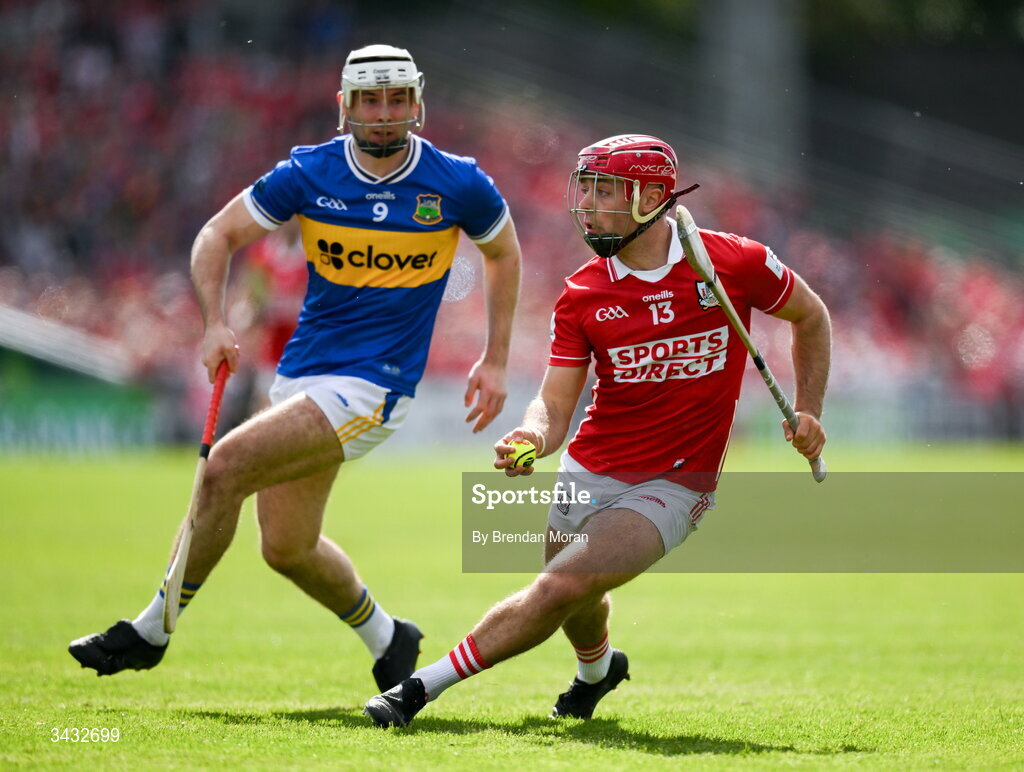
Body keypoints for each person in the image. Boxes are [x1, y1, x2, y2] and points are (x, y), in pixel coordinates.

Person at [69, 44, 522, 695]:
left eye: (397, 98)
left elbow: (504, 253)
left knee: (224, 468)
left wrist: (497, 356)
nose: (385, 114)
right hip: (303, 374)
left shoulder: (458, 183)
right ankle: (390, 638)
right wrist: (215, 322)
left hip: (376, 383)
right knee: (286, 547)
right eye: (370, 99)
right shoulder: (309, 173)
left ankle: (150, 631)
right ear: (345, 106)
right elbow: (216, 236)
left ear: (417, 103)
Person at [363, 134, 830, 727]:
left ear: (652, 196)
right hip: (587, 469)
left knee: (558, 588)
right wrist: (532, 434)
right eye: (583, 187)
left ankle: (418, 690)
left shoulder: (734, 263)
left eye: (602, 189)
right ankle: (597, 671)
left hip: (675, 483)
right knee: (572, 596)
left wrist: (809, 409)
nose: (586, 203)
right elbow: (555, 406)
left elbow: (810, 315)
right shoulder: (583, 293)